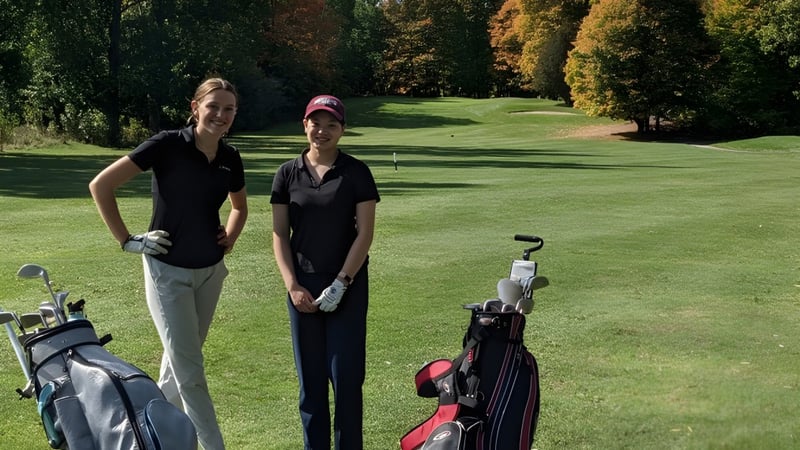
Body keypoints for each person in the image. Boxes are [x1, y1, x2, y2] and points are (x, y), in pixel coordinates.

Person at [89, 77, 248, 450]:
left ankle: (151, 438)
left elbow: (239, 207)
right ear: (195, 108)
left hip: (210, 273)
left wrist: (231, 235)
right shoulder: (166, 145)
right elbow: (101, 185)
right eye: (213, 106)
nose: (221, 115)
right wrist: (127, 240)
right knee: (190, 371)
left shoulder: (230, 157)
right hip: (167, 272)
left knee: (178, 368)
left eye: (229, 109)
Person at [270, 95, 379, 450]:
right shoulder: (287, 173)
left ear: (342, 129)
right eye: (316, 123)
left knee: (346, 379)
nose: (322, 131)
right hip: (302, 286)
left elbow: (365, 233)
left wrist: (342, 283)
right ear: (305, 125)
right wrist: (292, 285)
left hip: (347, 286)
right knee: (311, 382)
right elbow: (279, 234)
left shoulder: (356, 172)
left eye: (331, 124)